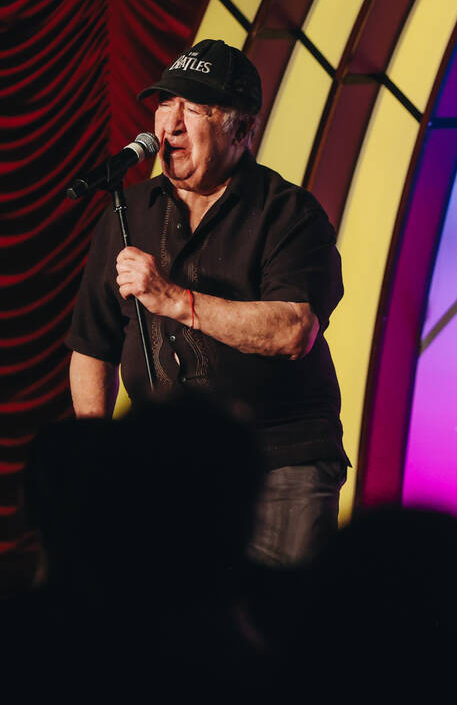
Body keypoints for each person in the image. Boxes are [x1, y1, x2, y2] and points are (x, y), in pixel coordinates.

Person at [65, 39, 348, 566]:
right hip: (168, 466)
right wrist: (95, 453)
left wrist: (172, 299)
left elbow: (294, 330)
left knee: (275, 629)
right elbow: (93, 345)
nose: (168, 125)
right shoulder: (129, 212)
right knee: (173, 632)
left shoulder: (289, 214)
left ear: (242, 130)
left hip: (279, 460)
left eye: (192, 109)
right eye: (164, 104)